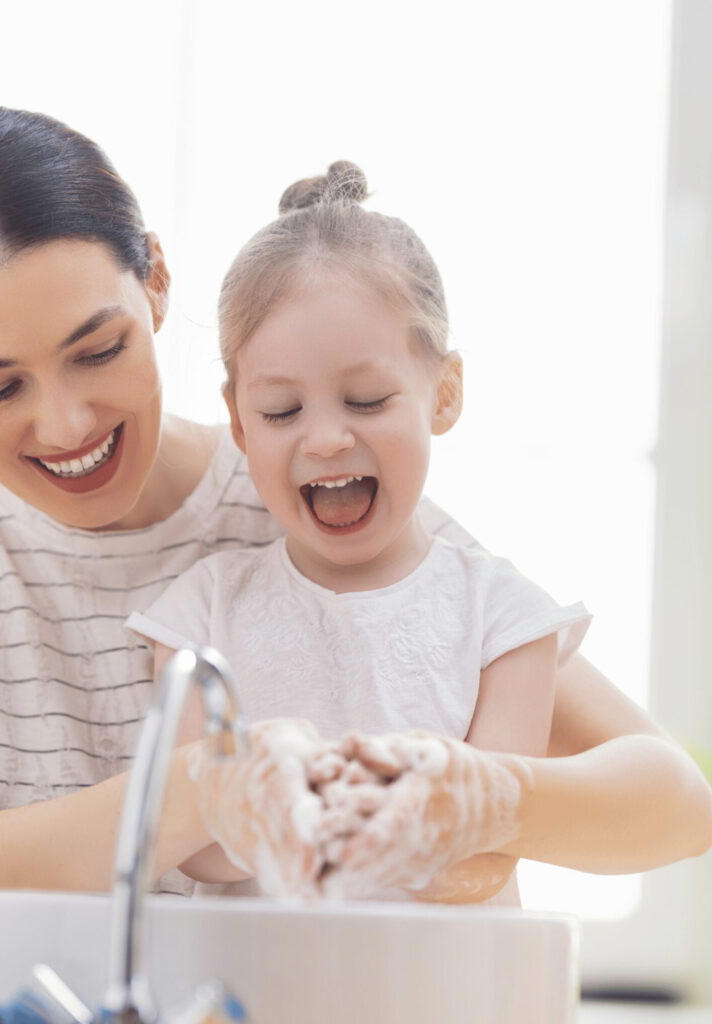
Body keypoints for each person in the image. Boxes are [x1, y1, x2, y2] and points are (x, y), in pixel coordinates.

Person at [0, 108, 712, 981]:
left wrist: (484, 798)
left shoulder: (305, 501)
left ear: (158, 284)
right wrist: (202, 793)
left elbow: (671, 804)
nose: (66, 422)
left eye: (99, 350)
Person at [126, 161, 592, 903]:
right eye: (282, 411)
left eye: (368, 400)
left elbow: (489, 856)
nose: (327, 439)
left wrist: (402, 813)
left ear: (444, 393)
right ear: (240, 420)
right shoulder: (198, 615)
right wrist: (264, 804)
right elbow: (192, 852)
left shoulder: (506, 620)